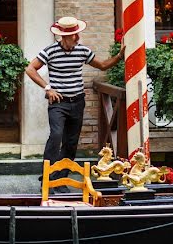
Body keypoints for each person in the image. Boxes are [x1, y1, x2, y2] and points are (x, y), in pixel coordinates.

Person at [25, 16, 125, 190]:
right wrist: (47, 88)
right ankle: (47, 178)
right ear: (63, 36)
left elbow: (102, 65)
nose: (77, 38)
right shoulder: (50, 51)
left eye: (77, 34)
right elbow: (30, 68)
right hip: (58, 103)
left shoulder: (82, 51)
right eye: (74, 35)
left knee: (71, 142)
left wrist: (119, 56)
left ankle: (61, 179)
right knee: (56, 137)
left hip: (78, 102)